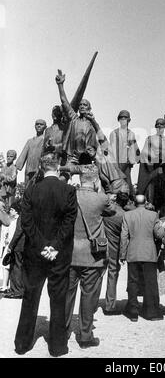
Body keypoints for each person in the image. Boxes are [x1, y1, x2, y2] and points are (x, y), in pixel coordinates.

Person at [14, 153, 77, 357]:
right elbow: (69, 223)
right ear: (58, 167)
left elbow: (26, 222)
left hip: (34, 253)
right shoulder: (68, 190)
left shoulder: (31, 191)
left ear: (41, 168)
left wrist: (42, 246)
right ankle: (57, 347)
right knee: (58, 299)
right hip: (59, 254)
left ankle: (22, 344)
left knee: (30, 297)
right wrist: (54, 246)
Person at [65, 167, 115, 348]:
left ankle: (62, 333)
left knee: (67, 295)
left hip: (70, 254)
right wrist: (100, 190)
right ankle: (85, 336)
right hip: (93, 256)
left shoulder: (69, 196)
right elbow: (112, 211)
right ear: (95, 181)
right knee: (89, 297)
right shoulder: (101, 198)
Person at [120, 195, 163, 322]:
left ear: (134, 202)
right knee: (150, 282)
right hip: (149, 252)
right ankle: (151, 312)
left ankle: (133, 311)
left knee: (133, 281)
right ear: (145, 203)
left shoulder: (127, 215)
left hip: (133, 252)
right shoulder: (153, 215)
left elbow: (124, 236)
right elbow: (158, 234)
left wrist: (122, 254)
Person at [55, 69, 98, 165]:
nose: (82, 106)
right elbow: (64, 101)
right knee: (63, 177)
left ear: (89, 108)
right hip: (73, 157)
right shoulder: (74, 119)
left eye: (85, 105)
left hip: (87, 157)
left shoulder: (92, 124)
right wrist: (60, 85)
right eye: (80, 104)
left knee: (92, 177)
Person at [102, 191, 129, 315]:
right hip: (114, 248)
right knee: (113, 274)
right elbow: (124, 235)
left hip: (101, 245)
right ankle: (110, 305)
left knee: (96, 275)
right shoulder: (124, 215)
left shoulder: (107, 210)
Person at [137, 118, 165, 215]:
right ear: (156, 127)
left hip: (162, 169)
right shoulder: (150, 138)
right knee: (150, 187)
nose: (160, 126)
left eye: (162, 125)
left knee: (162, 192)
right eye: (158, 125)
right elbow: (144, 152)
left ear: (164, 127)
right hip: (151, 168)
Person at [109, 110, 140, 198]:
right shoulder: (114, 133)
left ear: (129, 120)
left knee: (128, 182)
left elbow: (135, 148)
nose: (123, 120)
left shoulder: (131, 133)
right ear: (119, 120)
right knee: (117, 183)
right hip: (118, 163)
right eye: (121, 118)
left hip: (127, 163)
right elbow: (112, 150)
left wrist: (138, 157)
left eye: (125, 118)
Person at [3, 200, 25, 299]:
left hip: (18, 246)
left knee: (16, 268)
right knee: (18, 268)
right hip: (23, 247)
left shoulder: (21, 218)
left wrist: (11, 246)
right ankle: (17, 290)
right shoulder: (27, 216)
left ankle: (16, 291)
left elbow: (18, 232)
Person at [16, 119, 47, 185]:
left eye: (41, 124)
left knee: (38, 187)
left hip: (39, 168)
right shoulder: (30, 141)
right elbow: (23, 154)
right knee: (27, 188)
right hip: (29, 168)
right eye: (37, 124)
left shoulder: (46, 140)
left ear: (45, 127)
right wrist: (16, 166)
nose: (39, 126)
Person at [0, 204, 19, 293]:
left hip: (12, 246)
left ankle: (10, 287)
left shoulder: (17, 221)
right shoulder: (12, 220)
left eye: (12, 209)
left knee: (10, 266)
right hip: (9, 245)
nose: (10, 211)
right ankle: (6, 286)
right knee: (6, 265)